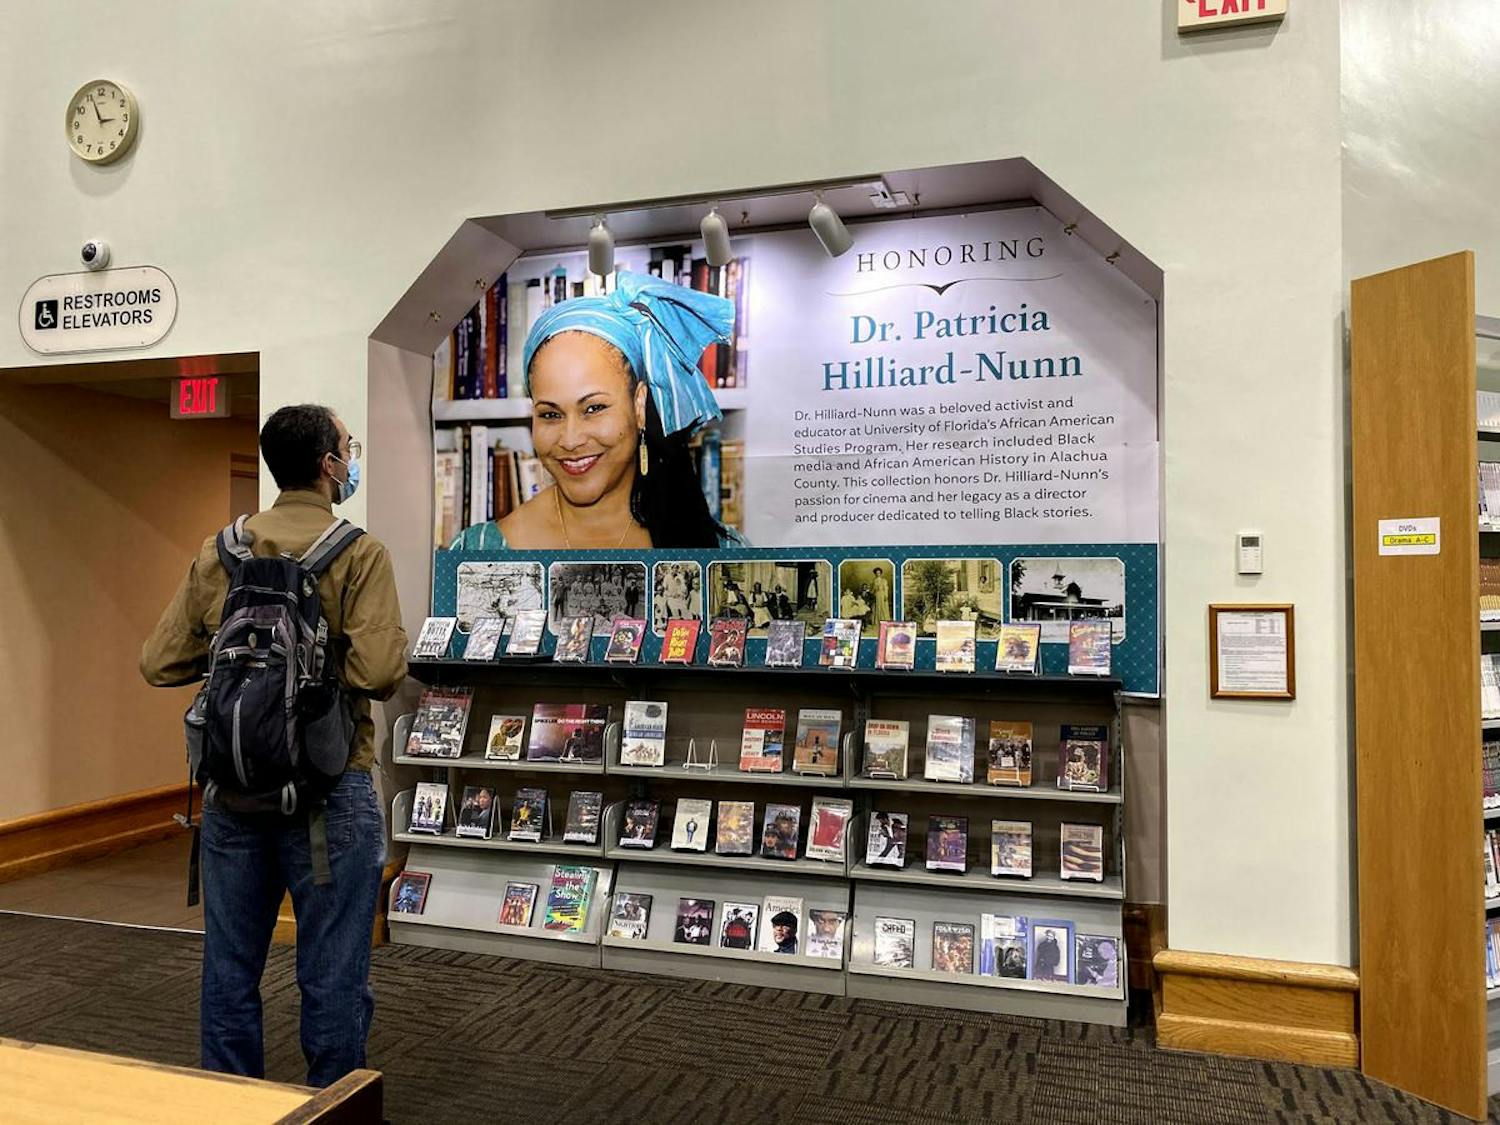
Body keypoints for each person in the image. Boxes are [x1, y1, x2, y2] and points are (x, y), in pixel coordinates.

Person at [140, 403, 407, 1088]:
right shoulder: (359, 552)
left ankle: (229, 1106)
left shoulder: (222, 549)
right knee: (332, 971)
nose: (349, 457)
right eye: (347, 447)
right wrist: (315, 682)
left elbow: (159, 662)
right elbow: (378, 672)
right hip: (330, 794)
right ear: (327, 465)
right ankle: (332, 1105)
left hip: (232, 793)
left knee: (229, 972)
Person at [450, 271, 743, 550]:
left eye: (593, 408)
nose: (570, 439)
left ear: (639, 405)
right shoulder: (475, 553)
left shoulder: (721, 552)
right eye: (551, 414)